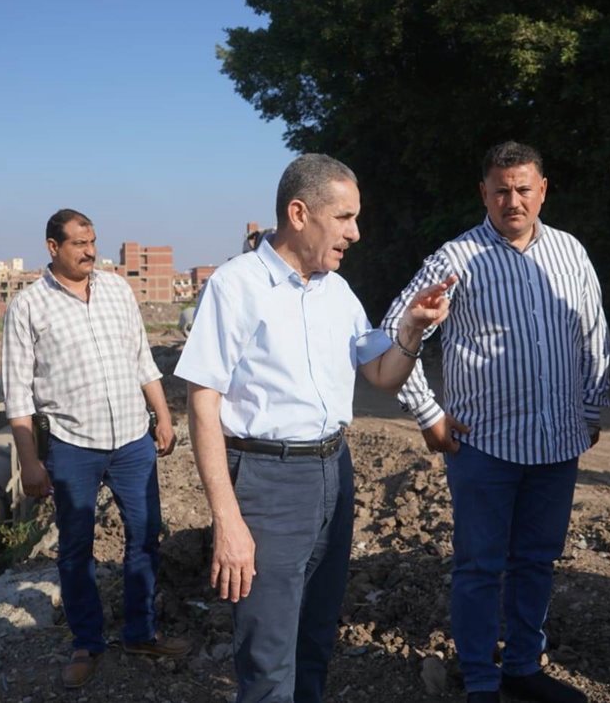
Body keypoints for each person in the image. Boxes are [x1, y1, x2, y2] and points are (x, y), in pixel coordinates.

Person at [174, 154, 455, 703]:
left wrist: (413, 330)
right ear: (299, 214)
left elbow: (382, 374)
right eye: (345, 217)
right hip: (268, 481)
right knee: (268, 652)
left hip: (334, 473)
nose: (356, 232)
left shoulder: (337, 292)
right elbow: (202, 403)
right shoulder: (236, 286)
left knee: (315, 637)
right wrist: (227, 520)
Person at [381, 141, 610, 703]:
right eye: (501, 190)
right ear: (483, 193)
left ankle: (523, 667)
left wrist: (591, 408)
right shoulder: (456, 259)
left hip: (557, 443)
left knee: (537, 562)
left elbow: (594, 333)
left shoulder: (570, 253)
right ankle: (482, 680)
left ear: (542, 190)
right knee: (480, 567)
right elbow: (395, 329)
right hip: (485, 446)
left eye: (523, 189)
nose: (513, 201)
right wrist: (427, 412)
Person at [2, 208, 190, 690]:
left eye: (92, 242)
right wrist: (29, 461)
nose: (90, 252)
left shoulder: (117, 290)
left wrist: (162, 415)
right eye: (79, 244)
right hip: (72, 446)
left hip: (132, 439)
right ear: (53, 247)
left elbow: (141, 358)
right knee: (75, 548)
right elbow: (18, 394)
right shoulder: (28, 306)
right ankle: (86, 643)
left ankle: (141, 631)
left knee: (145, 535)